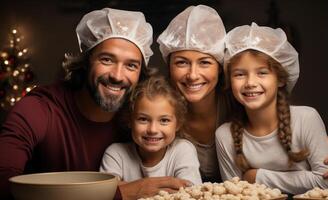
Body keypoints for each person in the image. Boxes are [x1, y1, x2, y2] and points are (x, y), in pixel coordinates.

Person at [0, 8, 188, 200]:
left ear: (141, 73)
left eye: (131, 65)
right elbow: (3, 183)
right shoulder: (39, 109)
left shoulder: (141, 118)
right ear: (86, 60)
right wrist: (118, 193)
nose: (117, 75)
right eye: (106, 59)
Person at [157, 5, 328, 184]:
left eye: (205, 62)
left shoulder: (243, 102)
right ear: (169, 66)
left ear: (220, 68)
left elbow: (287, 129)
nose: (192, 75)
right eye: (181, 62)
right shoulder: (156, 113)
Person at [215, 22, 328, 195]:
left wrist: (257, 177)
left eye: (262, 72)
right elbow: (234, 194)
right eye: (239, 74)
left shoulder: (306, 118)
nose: (250, 83)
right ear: (230, 82)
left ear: (280, 79)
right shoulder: (224, 135)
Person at [100, 76, 202, 186]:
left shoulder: (183, 150)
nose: (153, 130)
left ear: (178, 124)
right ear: (130, 121)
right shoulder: (116, 154)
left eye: (164, 120)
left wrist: (126, 188)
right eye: (143, 119)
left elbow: (190, 193)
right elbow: (107, 193)